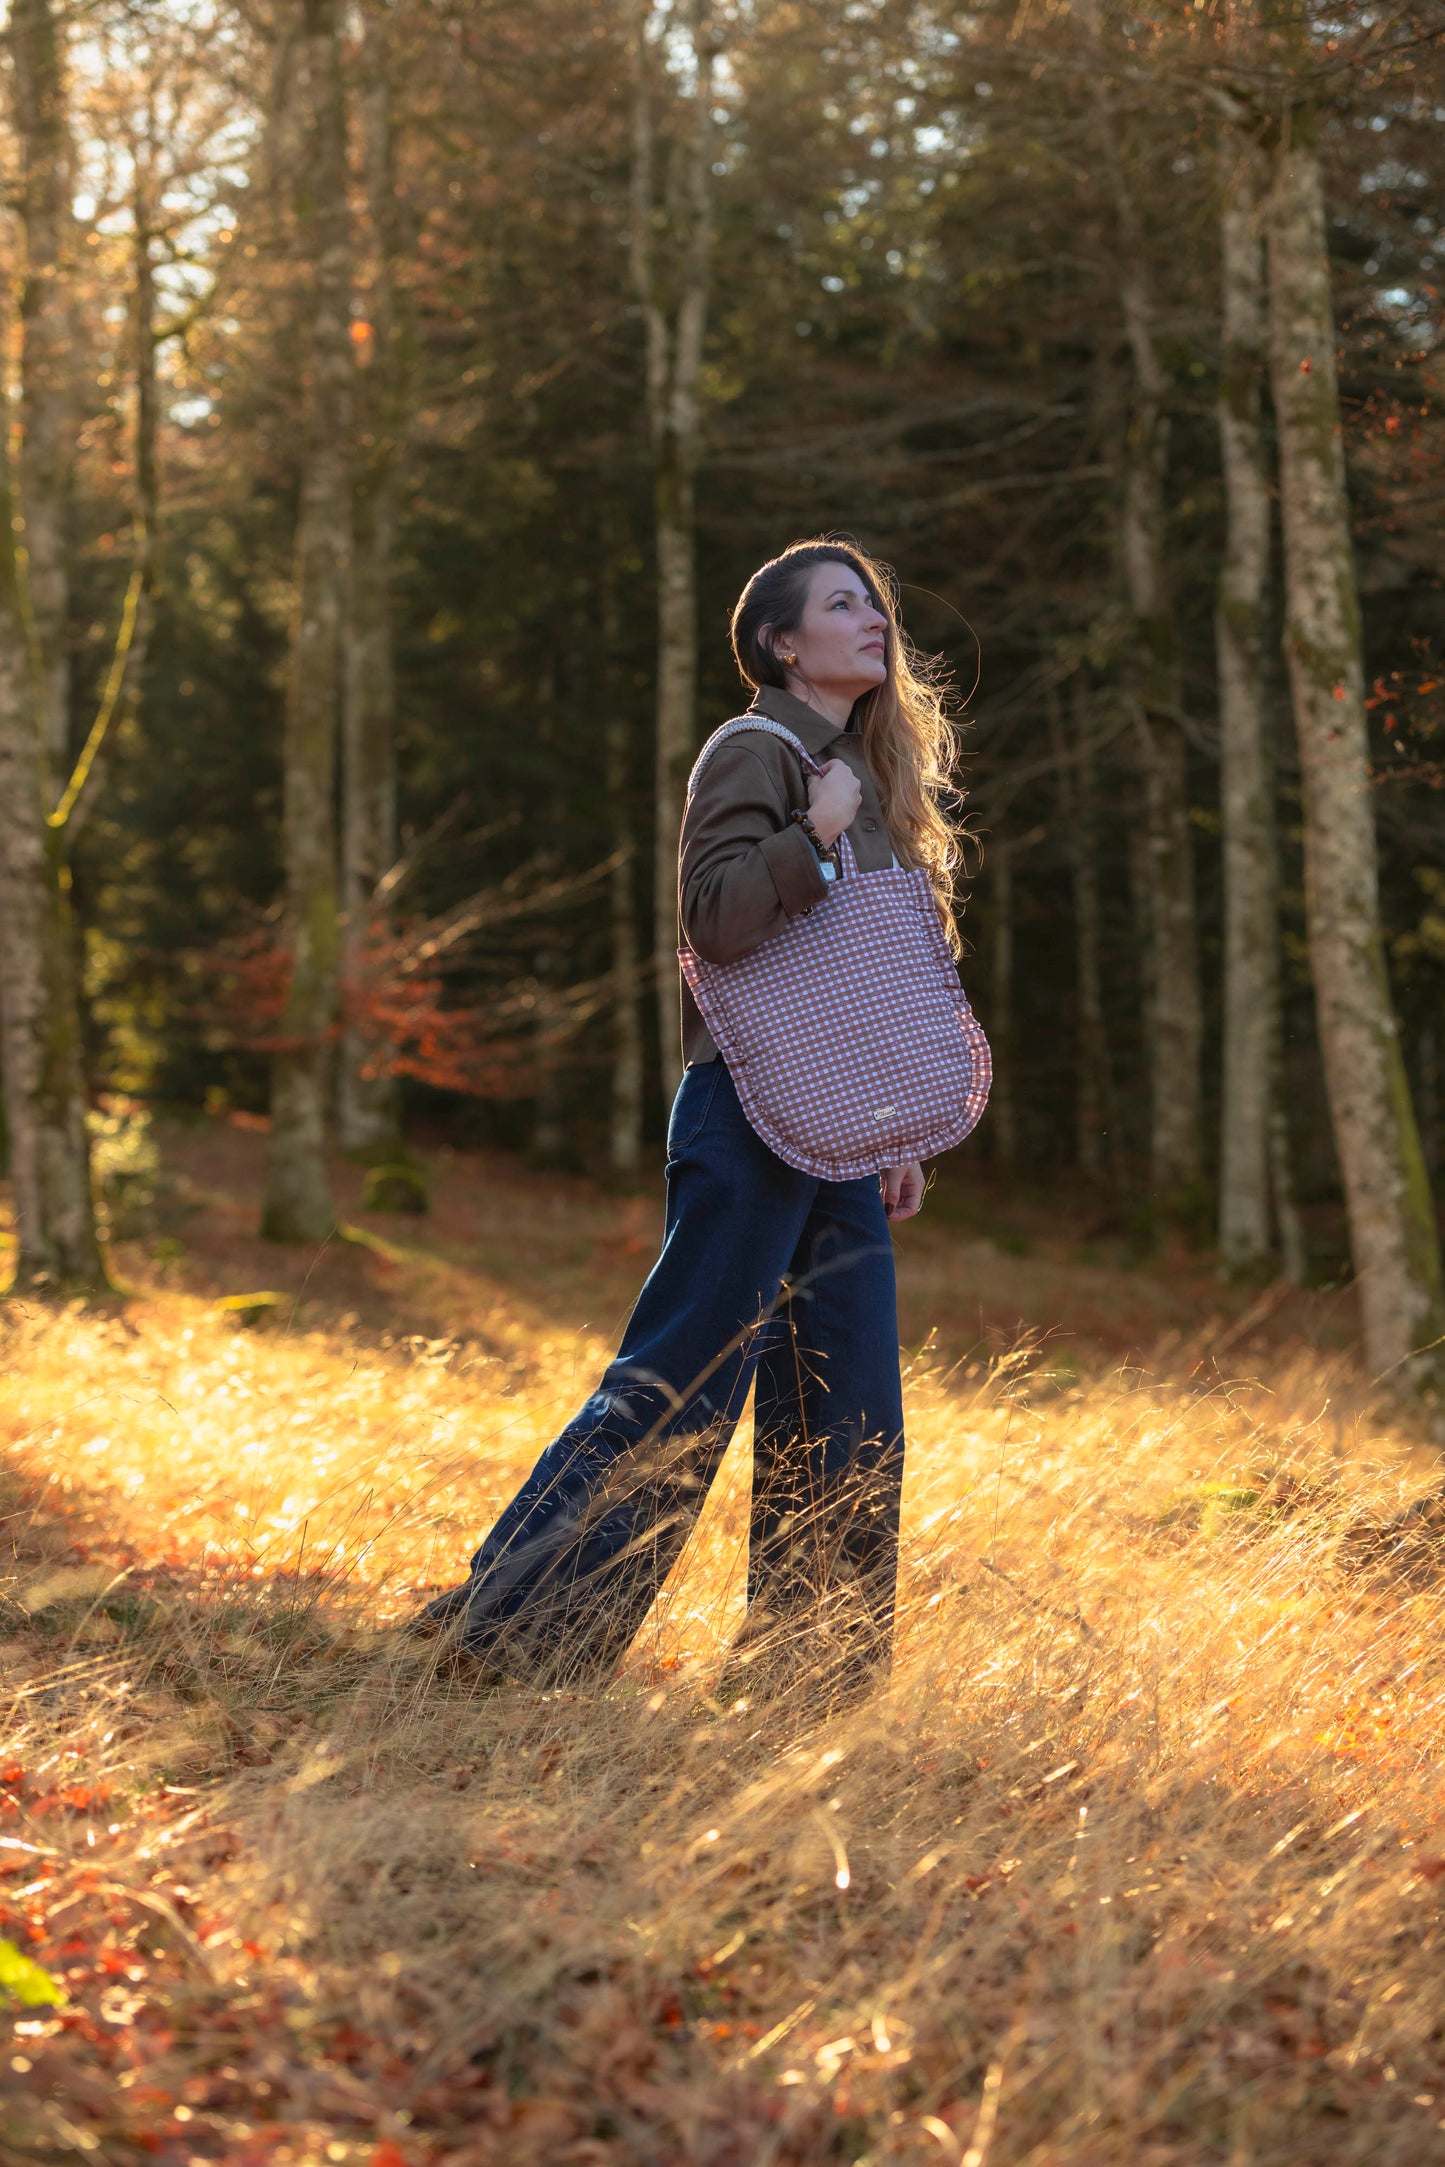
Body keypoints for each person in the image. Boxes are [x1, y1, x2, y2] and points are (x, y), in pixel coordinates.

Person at [418, 537, 964, 1697]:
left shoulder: (859, 774)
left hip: (834, 1128)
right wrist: (811, 834)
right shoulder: (755, 752)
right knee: (681, 1379)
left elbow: (859, 979)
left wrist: (893, 1130)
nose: (873, 618)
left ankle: (806, 1676)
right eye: (840, 604)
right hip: (746, 1110)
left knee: (847, 1401)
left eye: (875, 603)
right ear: (780, 641)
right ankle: (510, 1636)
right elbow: (714, 922)